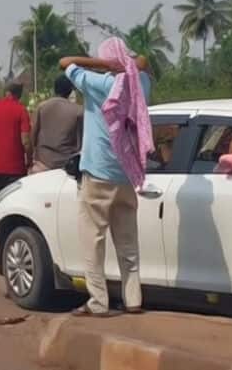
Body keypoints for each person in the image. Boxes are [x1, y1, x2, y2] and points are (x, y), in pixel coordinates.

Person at [61, 39, 153, 317]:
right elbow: (144, 61)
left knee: (93, 239)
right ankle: (133, 299)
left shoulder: (100, 84)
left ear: (107, 62)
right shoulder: (142, 84)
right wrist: (122, 63)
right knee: (128, 242)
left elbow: (66, 63)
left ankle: (98, 303)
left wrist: (101, 64)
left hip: (98, 172)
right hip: (127, 172)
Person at [29, 74, 84, 174]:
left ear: (55, 89)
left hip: (42, 164)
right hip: (67, 167)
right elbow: (81, 142)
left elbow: (33, 135)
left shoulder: (42, 107)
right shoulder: (78, 111)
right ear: (71, 90)